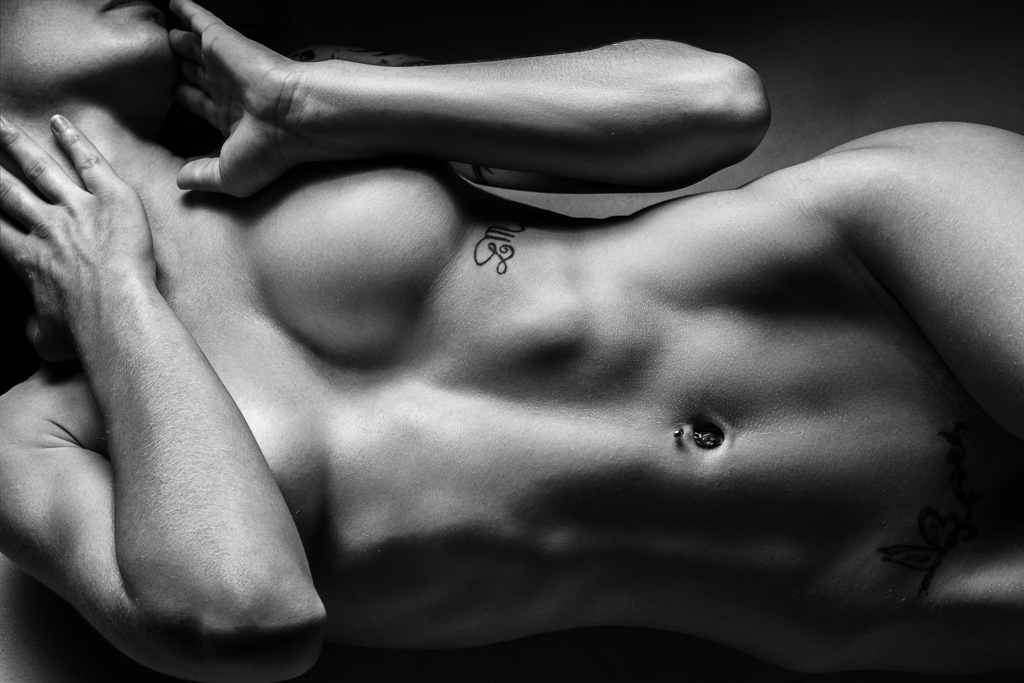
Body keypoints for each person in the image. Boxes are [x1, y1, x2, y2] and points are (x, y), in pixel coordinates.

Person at [0, 0, 1021, 681]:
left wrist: (313, 100)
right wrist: (108, 287)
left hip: (892, 254)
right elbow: (245, 618)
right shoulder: (31, 436)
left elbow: (711, 102)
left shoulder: (288, 113)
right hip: (883, 580)